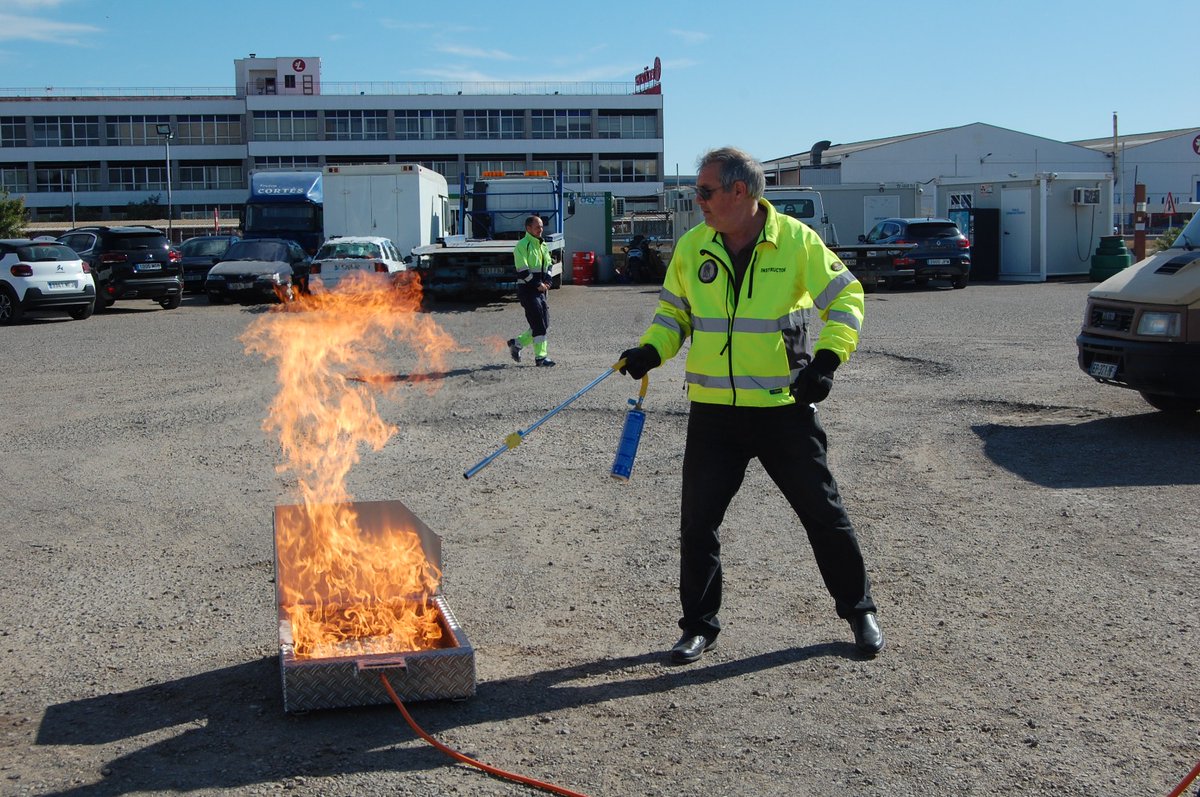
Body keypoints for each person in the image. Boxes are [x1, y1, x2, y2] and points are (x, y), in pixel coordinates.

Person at [617, 146, 883, 664]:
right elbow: (673, 315)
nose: (698, 201)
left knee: (823, 514)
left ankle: (859, 610)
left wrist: (826, 362)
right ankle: (698, 626)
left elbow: (847, 299)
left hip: (783, 409)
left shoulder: (797, 242)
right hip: (714, 413)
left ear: (741, 192)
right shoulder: (693, 247)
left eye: (705, 191)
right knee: (698, 524)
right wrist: (653, 349)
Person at [507, 215, 556, 367]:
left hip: (540, 290)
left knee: (544, 323)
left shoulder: (543, 245)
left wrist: (548, 281)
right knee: (539, 324)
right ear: (528, 228)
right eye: (537, 227)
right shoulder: (522, 245)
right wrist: (537, 284)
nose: (541, 229)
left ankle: (517, 343)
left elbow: (548, 264)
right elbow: (522, 269)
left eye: (541, 227)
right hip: (527, 291)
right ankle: (541, 358)